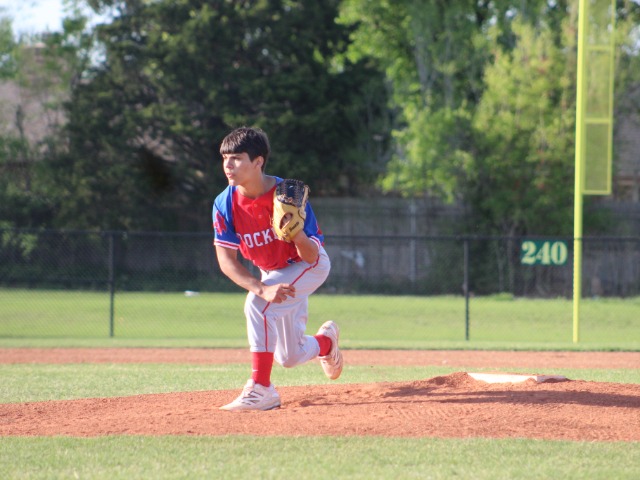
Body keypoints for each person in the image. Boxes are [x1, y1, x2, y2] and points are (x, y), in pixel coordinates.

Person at [212, 126, 343, 411]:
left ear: (258, 162)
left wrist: (297, 234)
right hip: (271, 274)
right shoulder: (225, 203)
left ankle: (262, 389)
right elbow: (226, 261)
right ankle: (327, 344)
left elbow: (312, 256)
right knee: (290, 356)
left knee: (256, 306)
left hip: (307, 265)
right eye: (225, 158)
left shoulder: (286, 195)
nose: (228, 165)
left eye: (237, 158)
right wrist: (262, 287)